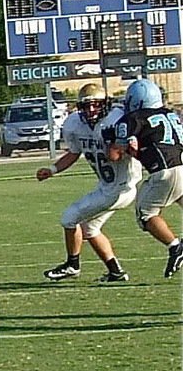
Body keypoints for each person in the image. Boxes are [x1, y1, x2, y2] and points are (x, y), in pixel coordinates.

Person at [38, 84, 141, 283]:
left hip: (122, 187)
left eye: (96, 105)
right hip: (107, 186)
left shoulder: (117, 119)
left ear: (105, 104)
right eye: (86, 106)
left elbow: (127, 152)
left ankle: (72, 264)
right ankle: (116, 272)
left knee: (69, 218)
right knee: (90, 229)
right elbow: (74, 152)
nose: (91, 110)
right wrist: (52, 170)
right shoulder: (74, 124)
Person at [107, 79, 183, 279]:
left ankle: (175, 247)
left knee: (146, 214)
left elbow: (114, 155)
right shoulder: (171, 114)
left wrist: (111, 140)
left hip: (167, 171)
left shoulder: (132, 118)